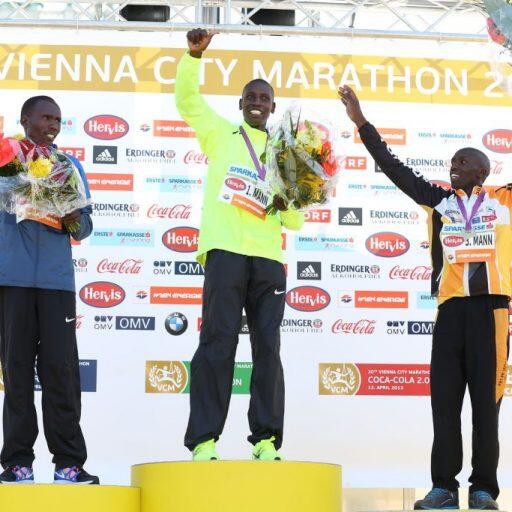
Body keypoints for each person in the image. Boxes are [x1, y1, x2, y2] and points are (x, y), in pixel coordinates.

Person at [340, 85, 511, 510]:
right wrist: (362, 124)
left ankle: (483, 489)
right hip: (449, 313)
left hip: (492, 311)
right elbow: (394, 168)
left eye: (463, 161)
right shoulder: (438, 203)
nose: (454, 166)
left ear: (483, 170)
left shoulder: (505, 199)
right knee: (445, 404)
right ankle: (443, 487)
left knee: (486, 408)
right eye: (452, 161)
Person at [176, 29, 304, 462]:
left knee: (268, 347)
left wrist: (288, 203)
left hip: (268, 258)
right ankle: (204, 440)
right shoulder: (220, 132)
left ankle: (266, 439)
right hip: (225, 251)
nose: (257, 102)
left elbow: (295, 220)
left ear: (273, 107)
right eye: (251, 96)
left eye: (264, 98)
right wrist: (194, 57)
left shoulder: (287, 152)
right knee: (218, 341)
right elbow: (187, 101)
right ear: (240, 104)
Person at [0, 96, 99, 484]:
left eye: (57, 119)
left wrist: (73, 216)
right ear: (26, 120)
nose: (53, 125)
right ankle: (17, 462)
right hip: (13, 281)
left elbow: (85, 227)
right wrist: (20, 185)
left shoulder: (69, 166)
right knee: (17, 373)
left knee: (61, 373)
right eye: (45, 118)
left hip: (57, 284)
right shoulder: (6, 161)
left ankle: (69, 463)